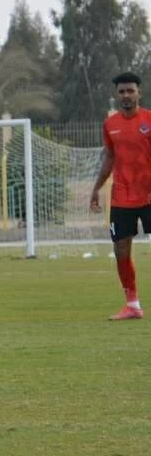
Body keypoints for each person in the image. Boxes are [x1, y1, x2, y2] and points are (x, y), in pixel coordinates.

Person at [89, 71, 150, 320]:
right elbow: (110, 157)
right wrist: (96, 188)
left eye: (130, 91)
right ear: (117, 95)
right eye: (122, 91)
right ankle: (132, 305)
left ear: (139, 93)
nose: (126, 95)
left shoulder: (149, 120)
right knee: (121, 249)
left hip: (149, 194)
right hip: (122, 197)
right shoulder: (110, 125)